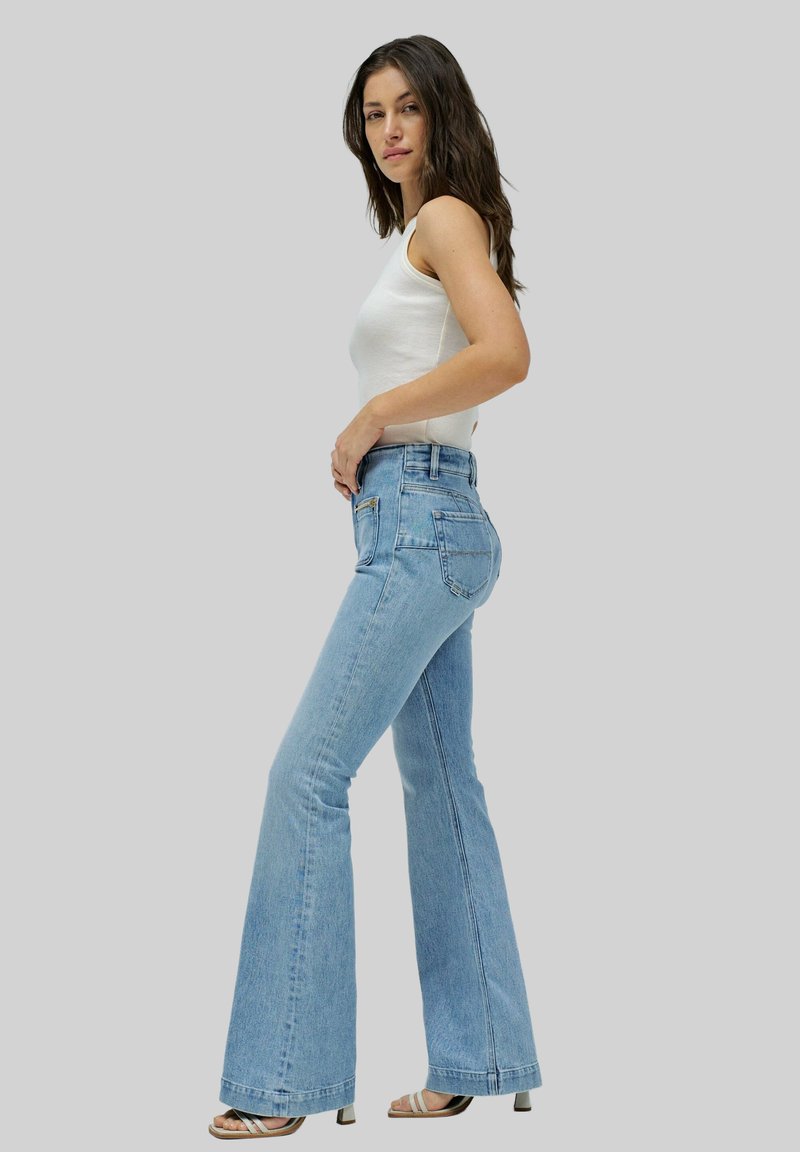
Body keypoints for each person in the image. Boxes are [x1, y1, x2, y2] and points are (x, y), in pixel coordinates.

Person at [209, 33, 543, 1138]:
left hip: (420, 526)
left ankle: (286, 1081)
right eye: (371, 113)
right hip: (431, 525)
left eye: (407, 107)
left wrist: (369, 417)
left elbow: (506, 352)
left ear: (442, 111)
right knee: (442, 786)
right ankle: (482, 1056)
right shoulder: (427, 230)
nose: (389, 129)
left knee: (304, 778)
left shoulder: (443, 219)